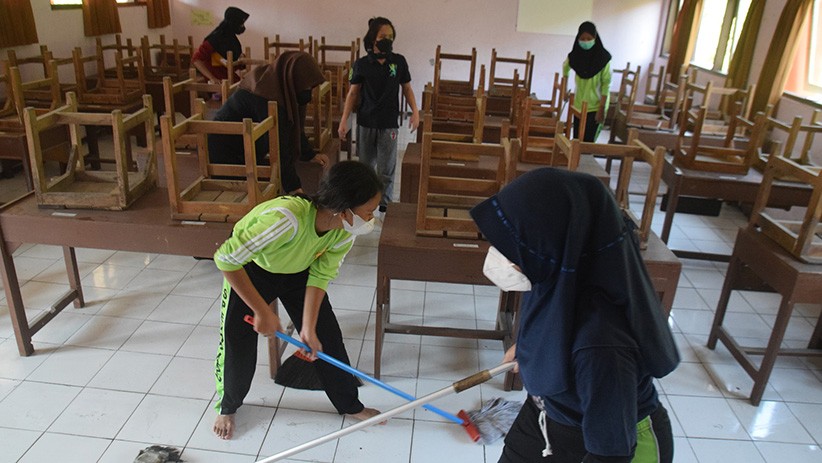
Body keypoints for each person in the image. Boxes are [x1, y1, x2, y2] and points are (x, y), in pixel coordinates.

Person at [469, 168, 680, 462]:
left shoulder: (601, 343)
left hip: (606, 444)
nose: (501, 255)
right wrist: (532, 349)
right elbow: (552, 325)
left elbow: (611, 454)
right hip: (548, 413)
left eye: (512, 247)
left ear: (550, 243)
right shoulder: (558, 277)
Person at [212, 160, 384, 440]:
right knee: (236, 338)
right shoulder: (285, 219)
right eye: (369, 211)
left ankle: (349, 405)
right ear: (344, 209)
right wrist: (261, 310)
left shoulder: (344, 232)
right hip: (252, 268)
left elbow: (321, 275)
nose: (372, 218)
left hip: (299, 270)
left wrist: (308, 327)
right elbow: (226, 260)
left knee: (327, 338)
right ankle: (227, 406)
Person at [207, 51, 330, 194]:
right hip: (227, 159)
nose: (308, 92)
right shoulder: (266, 96)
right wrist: (294, 188)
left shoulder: (276, 83)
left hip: (246, 153)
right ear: (294, 79)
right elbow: (278, 146)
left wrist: (309, 154)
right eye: (306, 87)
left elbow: (292, 127)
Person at [338, 16, 419, 214]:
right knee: (365, 167)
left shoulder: (399, 62)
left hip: (389, 123)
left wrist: (416, 112)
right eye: (383, 36)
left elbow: (407, 88)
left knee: (386, 169)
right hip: (366, 121)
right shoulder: (361, 64)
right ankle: (364, 203)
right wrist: (344, 120)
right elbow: (353, 93)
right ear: (373, 38)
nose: (387, 40)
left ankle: (384, 206)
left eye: (390, 37)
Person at [562, 21, 612, 142]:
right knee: (577, 139)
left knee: (588, 142)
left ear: (595, 38)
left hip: (596, 106)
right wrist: (564, 90)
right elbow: (565, 69)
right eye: (582, 39)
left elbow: (606, 85)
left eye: (589, 39)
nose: (585, 42)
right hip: (579, 105)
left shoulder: (603, 59)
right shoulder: (575, 56)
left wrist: (601, 109)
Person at [192, 6, 249, 85]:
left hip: (228, 76)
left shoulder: (231, 37)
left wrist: (241, 60)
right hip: (219, 80)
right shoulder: (215, 38)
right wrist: (212, 78)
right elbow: (196, 60)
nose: (242, 27)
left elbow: (229, 61)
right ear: (234, 23)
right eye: (241, 24)